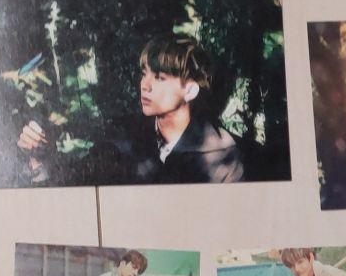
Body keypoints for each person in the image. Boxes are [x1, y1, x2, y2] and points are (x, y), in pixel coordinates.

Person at [15, 37, 246, 186]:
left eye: (160, 77)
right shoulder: (125, 136)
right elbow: (74, 183)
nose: (145, 85)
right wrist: (37, 155)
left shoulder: (223, 160)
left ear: (190, 90)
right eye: (144, 74)